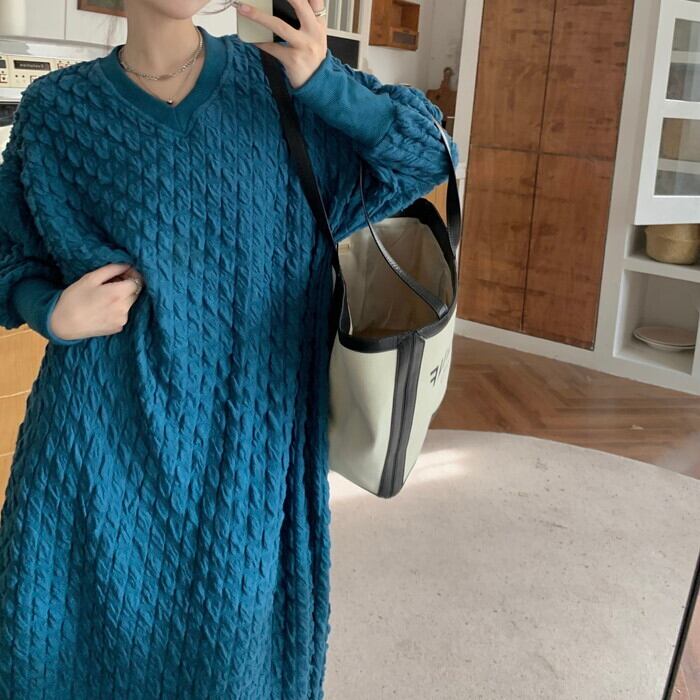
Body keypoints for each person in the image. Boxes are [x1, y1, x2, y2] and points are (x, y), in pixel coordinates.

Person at [0, 0, 459, 697]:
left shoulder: (284, 87)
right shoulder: (56, 110)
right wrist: (53, 312)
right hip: (94, 449)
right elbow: (9, 256)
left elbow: (427, 156)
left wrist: (327, 83)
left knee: (229, 666)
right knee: (57, 657)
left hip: (246, 458)